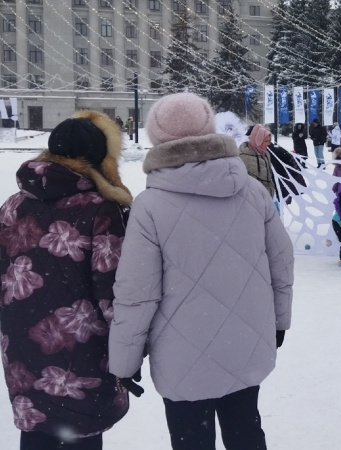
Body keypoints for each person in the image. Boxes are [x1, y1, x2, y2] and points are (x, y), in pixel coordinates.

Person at [108, 92, 294, 450]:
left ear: (157, 138)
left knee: (191, 440)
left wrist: (125, 360)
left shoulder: (150, 206)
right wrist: (279, 322)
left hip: (181, 355)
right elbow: (281, 262)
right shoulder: (253, 192)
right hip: (245, 343)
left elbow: (137, 292)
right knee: (246, 432)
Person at [0, 111, 134, 450]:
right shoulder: (100, 209)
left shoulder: (13, 206)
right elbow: (113, 290)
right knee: (80, 432)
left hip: (21, 342)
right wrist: (130, 351)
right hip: (81, 349)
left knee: (36, 428)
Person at [239, 123, 275, 197]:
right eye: (266, 141)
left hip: (267, 198)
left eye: (269, 141)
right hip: (251, 201)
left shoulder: (266, 154)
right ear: (258, 140)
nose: (268, 144)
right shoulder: (243, 156)